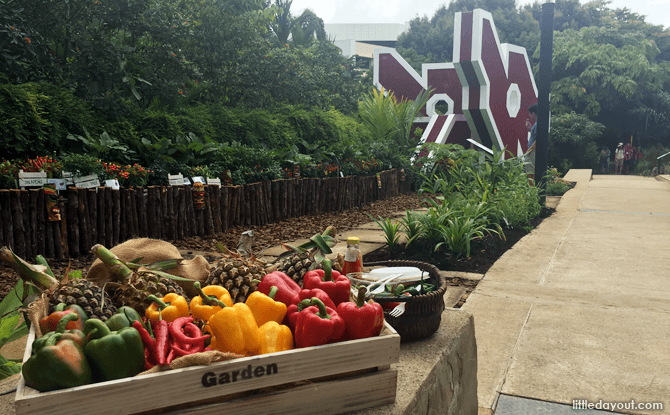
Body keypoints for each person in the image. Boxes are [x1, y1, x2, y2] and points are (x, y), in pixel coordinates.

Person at [525, 103, 538, 184]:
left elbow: (538, 139)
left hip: (533, 151)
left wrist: (529, 151)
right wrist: (530, 129)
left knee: (530, 172)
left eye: (530, 114)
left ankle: (532, 190)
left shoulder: (538, 124)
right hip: (533, 151)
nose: (529, 116)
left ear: (533, 113)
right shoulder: (537, 124)